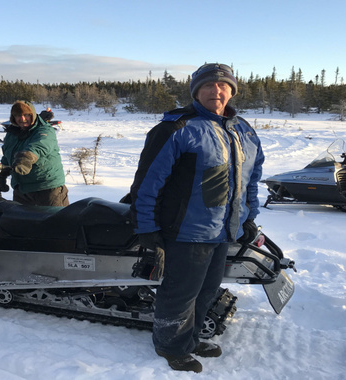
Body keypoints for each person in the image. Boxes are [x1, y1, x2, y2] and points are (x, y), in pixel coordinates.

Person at [129, 63, 264, 373]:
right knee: (180, 293)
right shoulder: (177, 128)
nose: (216, 92)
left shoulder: (244, 130)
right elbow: (148, 183)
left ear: (231, 91)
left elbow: (250, 181)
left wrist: (248, 218)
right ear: (196, 92)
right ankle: (170, 346)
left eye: (223, 86)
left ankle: (189, 339)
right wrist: (147, 229)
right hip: (186, 231)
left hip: (223, 231)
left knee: (206, 292)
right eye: (208, 86)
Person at [0, 100, 69, 206]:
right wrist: (2, 174)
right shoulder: (12, 133)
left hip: (48, 188)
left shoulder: (45, 130)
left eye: (26, 115)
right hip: (22, 190)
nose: (22, 119)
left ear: (33, 115)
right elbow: (8, 155)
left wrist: (27, 157)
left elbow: (39, 146)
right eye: (18, 115)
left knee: (56, 221)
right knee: (21, 221)